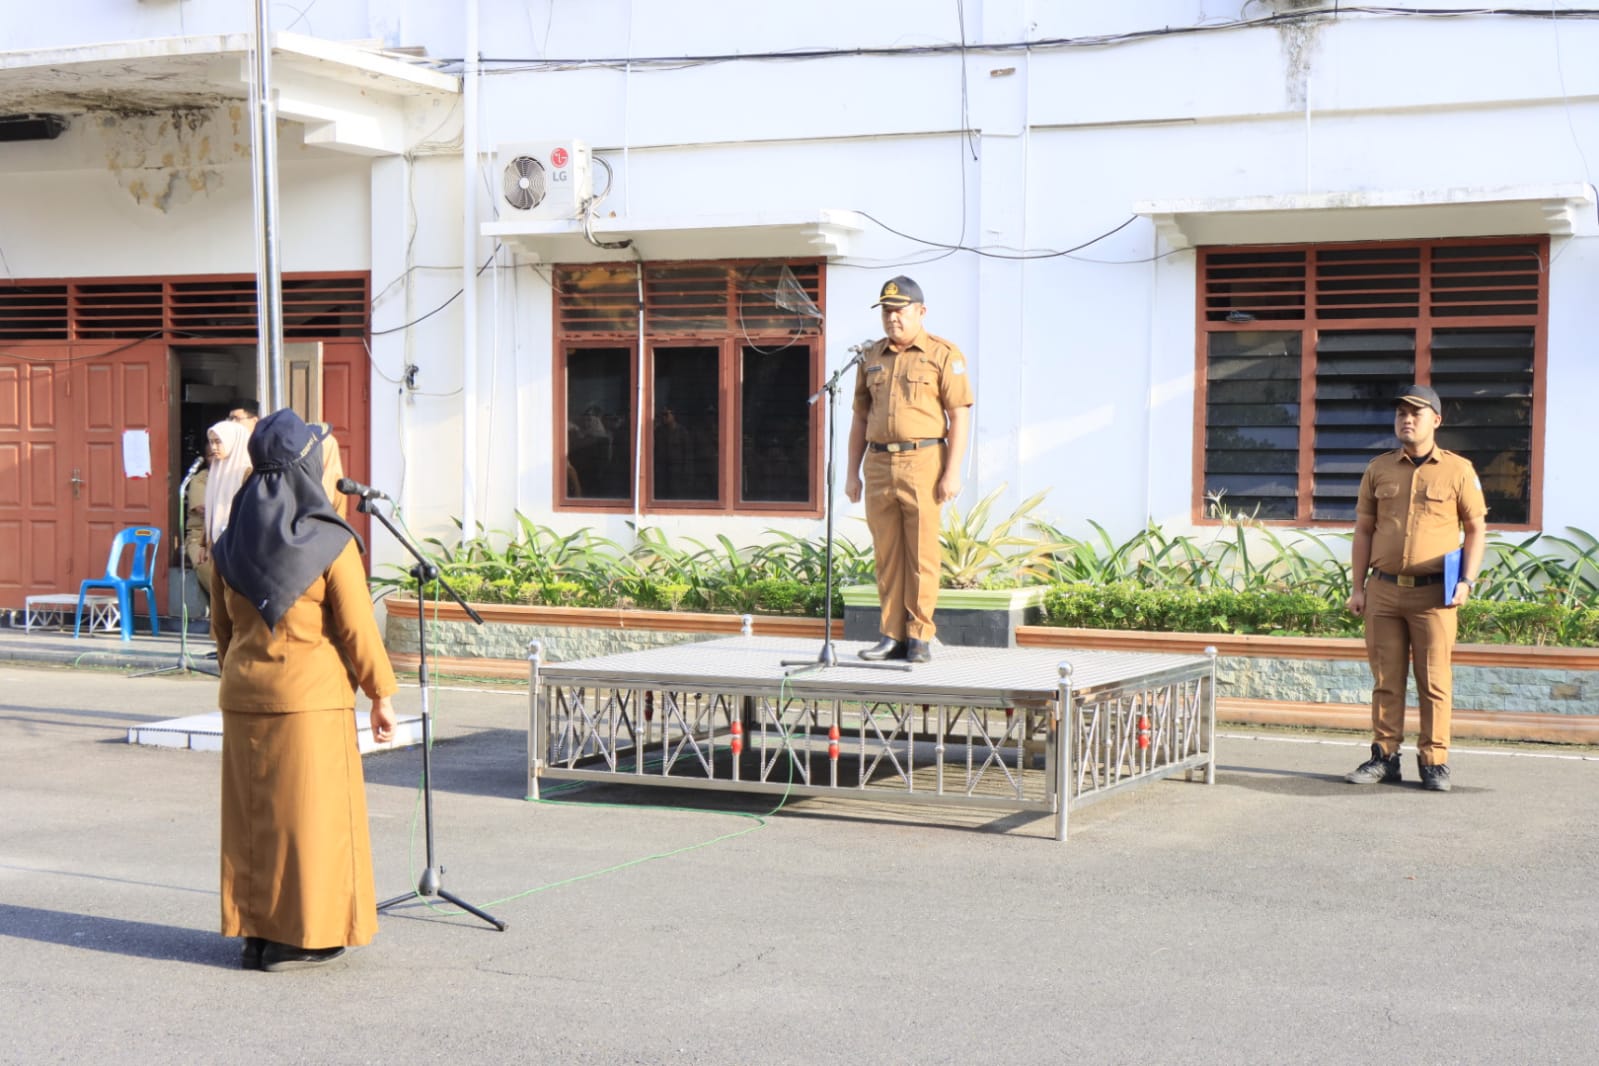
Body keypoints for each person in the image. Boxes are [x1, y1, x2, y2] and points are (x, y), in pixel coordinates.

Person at [210, 408, 398, 972]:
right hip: (312, 700)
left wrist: (241, 675)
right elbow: (357, 627)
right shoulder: (330, 540)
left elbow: (221, 627)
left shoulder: (228, 540)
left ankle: (256, 935)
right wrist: (380, 694)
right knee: (311, 823)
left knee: (255, 822)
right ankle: (304, 937)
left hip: (244, 695)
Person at [1344, 384, 1487, 793]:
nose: (1406, 420)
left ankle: (1434, 761)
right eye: (1401, 413)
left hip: (1435, 594)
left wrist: (1467, 581)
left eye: (1416, 413)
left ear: (1436, 421)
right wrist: (1358, 587)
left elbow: (1476, 528)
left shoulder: (1458, 470)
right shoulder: (1379, 469)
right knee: (1386, 679)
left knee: (1434, 680)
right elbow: (1363, 530)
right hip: (1384, 590)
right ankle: (1384, 757)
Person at [844, 276, 974, 664]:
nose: (892, 319)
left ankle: (919, 635)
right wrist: (853, 473)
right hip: (879, 461)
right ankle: (891, 634)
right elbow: (859, 418)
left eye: (899, 310)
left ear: (921, 311)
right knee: (887, 553)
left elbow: (959, 416)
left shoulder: (942, 354)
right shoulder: (870, 358)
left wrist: (952, 472)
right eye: (886, 311)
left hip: (924, 460)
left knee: (921, 553)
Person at [200, 420, 253, 574]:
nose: (213, 448)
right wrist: (204, 544)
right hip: (216, 546)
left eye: (218, 442)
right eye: (211, 442)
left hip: (238, 545)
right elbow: (212, 508)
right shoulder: (217, 468)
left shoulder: (247, 470)